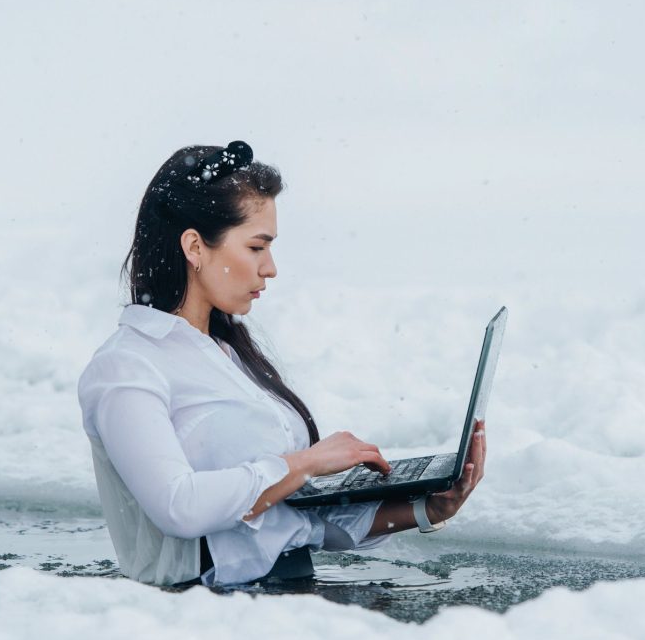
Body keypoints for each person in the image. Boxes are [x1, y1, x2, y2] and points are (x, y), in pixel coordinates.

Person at [76, 141, 486, 586]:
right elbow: (180, 507)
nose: (270, 268)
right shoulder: (127, 367)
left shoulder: (226, 354)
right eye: (256, 247)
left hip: (287, 599)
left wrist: (429, 508)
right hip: (198, 617)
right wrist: (304, 464)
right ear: (195, 246)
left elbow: (299, 524)